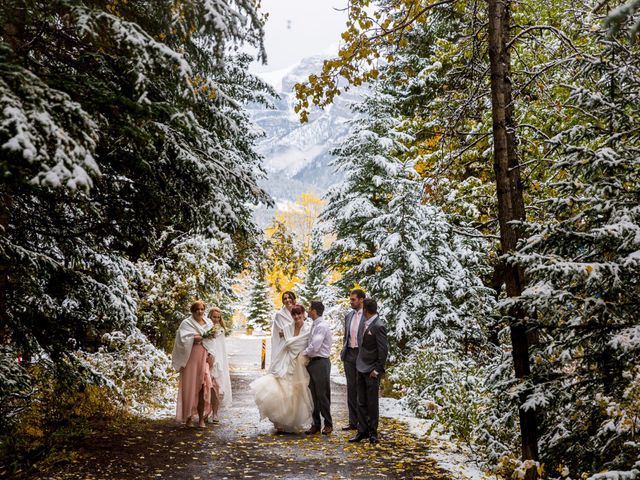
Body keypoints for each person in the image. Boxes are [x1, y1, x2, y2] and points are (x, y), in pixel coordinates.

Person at [250, 304, 313, 433]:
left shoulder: (308, 329)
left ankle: (290, 421)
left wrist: (296, 348)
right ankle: (279, 421)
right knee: (279, 389)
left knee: (295, 392)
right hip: (285, 360)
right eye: (294, 314)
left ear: (304, 314)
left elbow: (303, 344)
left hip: (299, 362)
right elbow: (286, 344)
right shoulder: (287, 328)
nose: (296, 316)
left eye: (299, 314)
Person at [172, 300, 219, 428]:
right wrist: (194, 338)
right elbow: (182, 340)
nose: (200, 311)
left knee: (203, 386)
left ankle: (201, 419)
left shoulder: (209, 323)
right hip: (191, 358)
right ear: (193, 311)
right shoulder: (186, 323)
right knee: (190, 387)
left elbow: (212, 341)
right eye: (197, 309)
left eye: (202, 309)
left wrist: (211, 354)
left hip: (204, 357)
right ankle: (188, 418)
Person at [349, 298, 388, 444]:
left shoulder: (378, 326)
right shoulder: (364, 324)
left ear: (366, 310)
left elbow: (383, 351)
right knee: (361, 402)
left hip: (372, 371)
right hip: (360, 367)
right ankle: (362, 431)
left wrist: (377, 370)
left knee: (372, 403)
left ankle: (373, 432)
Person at [303, 300, 333, 435]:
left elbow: (315, 347)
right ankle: (315, 424)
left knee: (322, 395)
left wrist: (302, 353)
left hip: (321, 363)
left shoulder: (321, 326)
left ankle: (328, 424)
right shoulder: (315, 325)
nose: (308, 311)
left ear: (314, 311)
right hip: (313, 362)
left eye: (309, 308)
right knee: (313, 395)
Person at [340, 288, 366, 431]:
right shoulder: (348, 316)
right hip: (349, 354)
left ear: (361, 300)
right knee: (351, 388)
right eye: (350, 299)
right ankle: (352, 421)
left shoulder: (367, 316)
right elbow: (346, 336)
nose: (351, 302)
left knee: (361, 388)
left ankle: (363, 422)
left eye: (353, 300)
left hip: (362, 355)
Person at [207, 307, 232, 424]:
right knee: (205, 387)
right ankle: (205, 412)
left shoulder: (221, 330)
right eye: (214, 317)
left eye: (218, 317)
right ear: (210, 317)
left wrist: (219, 362)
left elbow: (221, 348)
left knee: (215, 388)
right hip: (206, 360)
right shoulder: (205, 328)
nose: (216, 319)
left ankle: (215, 413)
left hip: (217, 362)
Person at [270, 291, 296, 366]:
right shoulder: (279, 315)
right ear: (283, 301)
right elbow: (280, 333)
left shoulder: (300, 312)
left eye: (289, 298)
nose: (287, 300)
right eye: (285, 299)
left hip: (299, 346)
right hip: (285, 347)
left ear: (294, 299)